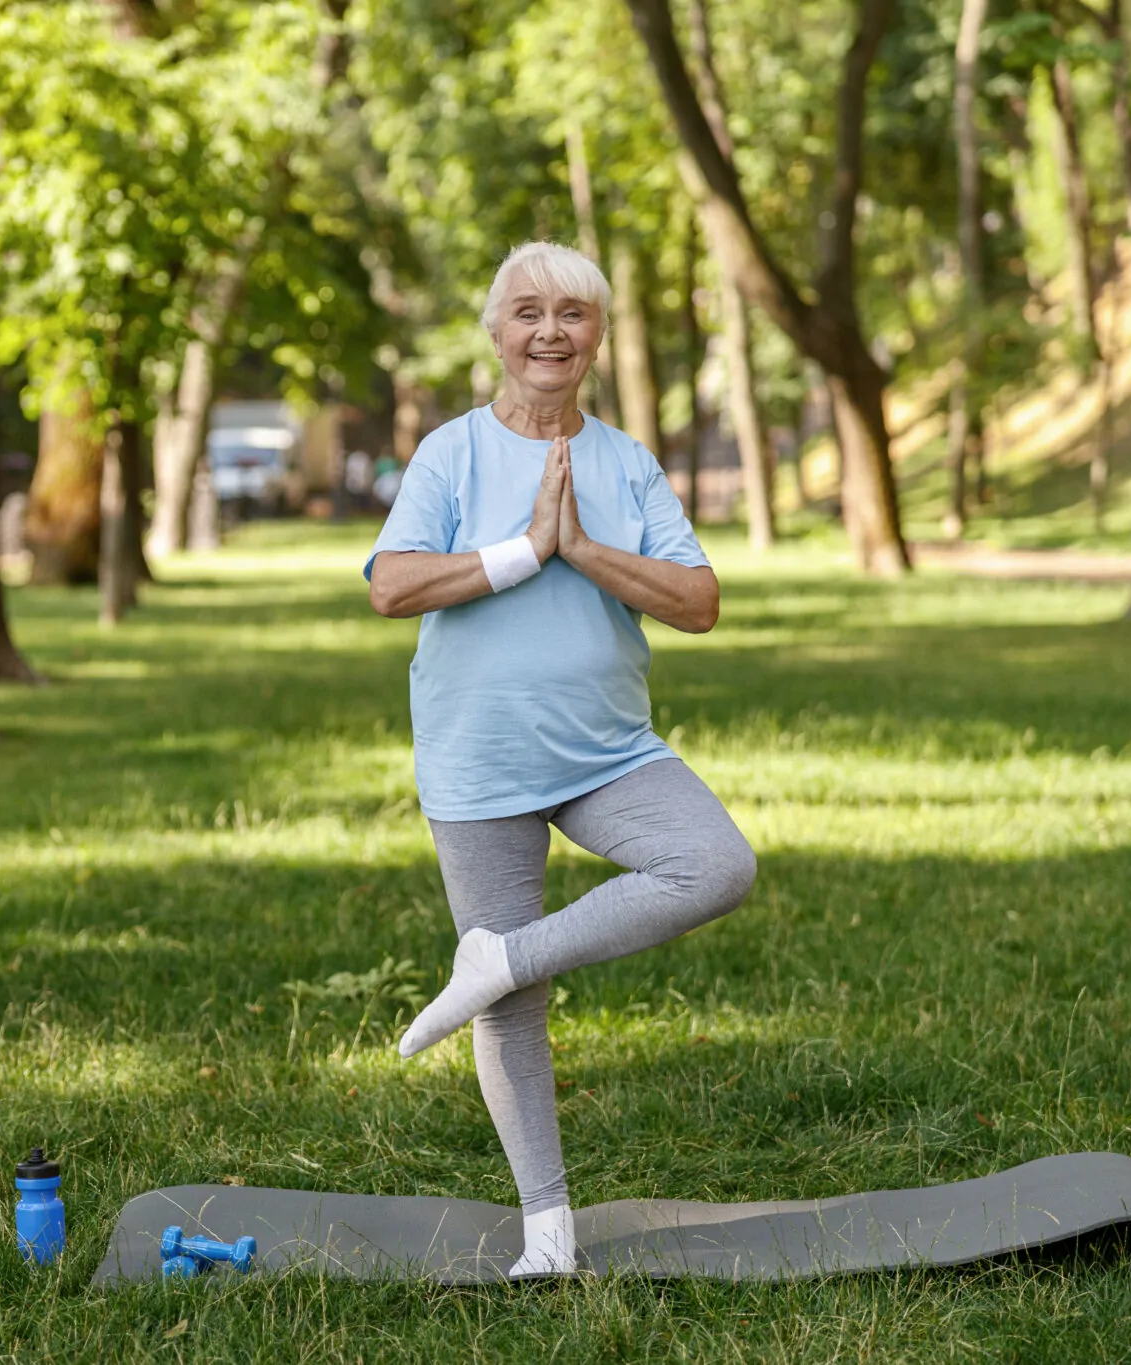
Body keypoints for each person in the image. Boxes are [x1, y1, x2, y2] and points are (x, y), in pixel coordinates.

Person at [364, 241, 756, 1278]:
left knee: (713, 865)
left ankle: (500, 955)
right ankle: (546, 1226)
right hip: (479, 757)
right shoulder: (450, 453)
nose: (549, 332)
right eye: (528, 312)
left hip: (607, 752)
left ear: (597, 337)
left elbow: (699, 603)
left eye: (572, 314)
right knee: (513, 1017)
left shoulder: (625, 463)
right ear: (495, 333)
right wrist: (522, 554)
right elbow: (391, 585)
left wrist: (582, 549)